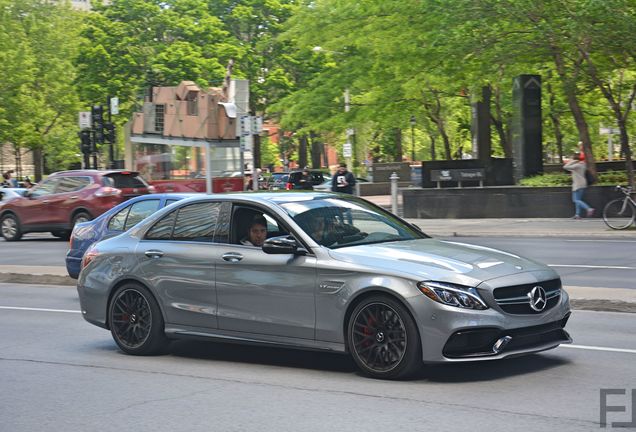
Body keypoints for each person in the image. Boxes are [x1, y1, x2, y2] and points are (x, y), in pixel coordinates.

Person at [564, 153, 594, 219]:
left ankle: (588, 208)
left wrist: (572, 161)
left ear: (574, 159)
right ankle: (577, 215)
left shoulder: (576, 166)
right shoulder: (582, 165)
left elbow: (565, 167)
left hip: (578, 184)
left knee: (575, 200)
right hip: (582, 184)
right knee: (578, 200)